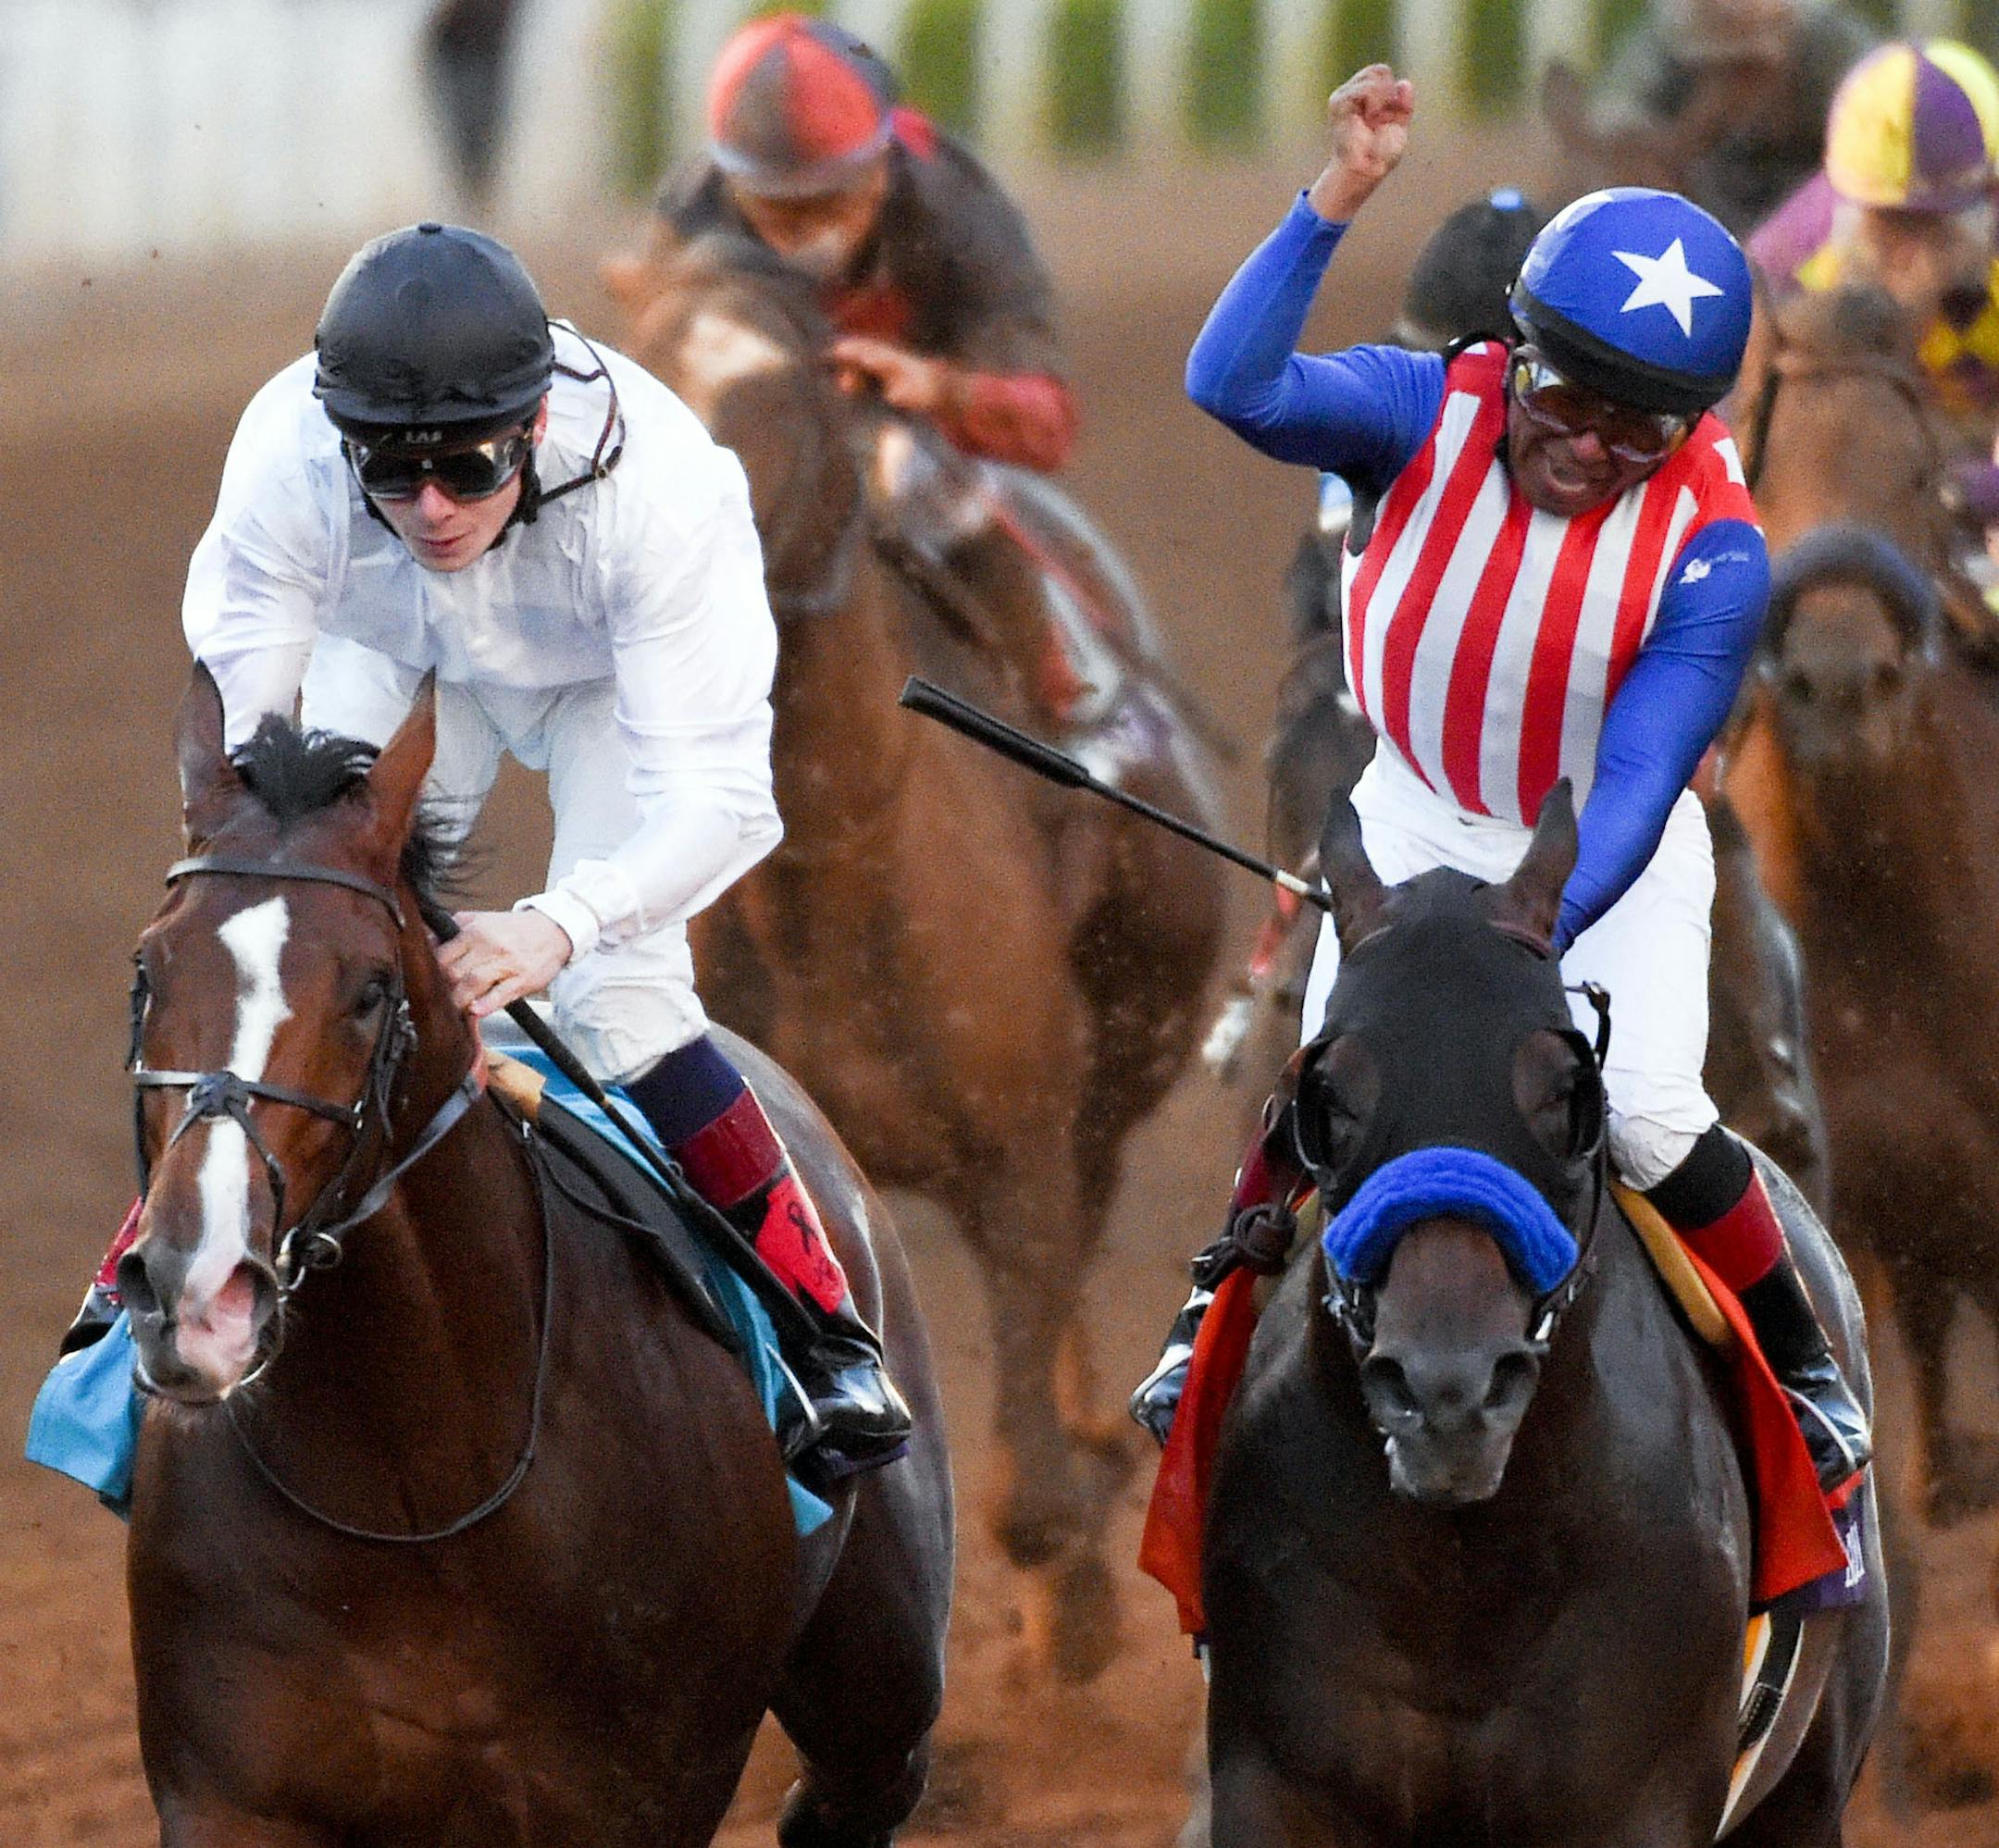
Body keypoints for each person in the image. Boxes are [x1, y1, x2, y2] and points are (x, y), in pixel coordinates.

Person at [65, 222, 910, 1476]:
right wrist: (301, 865)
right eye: (391, 476)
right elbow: (249, 719)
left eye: (464, 467)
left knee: (624, 996)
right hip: (399, 653)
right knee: (291, 932)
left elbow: (725, 799)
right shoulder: (288, 452)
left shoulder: (663, 493)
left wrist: (561, 922)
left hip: (612, 686)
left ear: (530, 428)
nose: (432, 506)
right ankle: (136, 1276)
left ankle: (823, 1330)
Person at [1133, 66, 1869, 1501]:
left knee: (1648, 1107)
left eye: (1638, 431)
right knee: (1330, 1076)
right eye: (1566, 396)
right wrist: (1336, 195)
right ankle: (1210, 1313)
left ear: (1691, 431)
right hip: (1411, 805)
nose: (1587, 446)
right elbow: (1231, 384)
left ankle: (1802, 1367)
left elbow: (1648, 778)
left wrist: (1528, 925)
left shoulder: (1715, 551)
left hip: (1598, 851)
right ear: (1513, 351)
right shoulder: (1425, 403)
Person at [647, 11, 1086, 725]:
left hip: (922, 432)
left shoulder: (959, 209)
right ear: (733, 187)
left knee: (923, 482)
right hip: (771, 422)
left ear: (884, 162)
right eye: (780, 214)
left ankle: (1055, 701)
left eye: (835, 202)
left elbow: (1049, 424)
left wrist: (942, 387)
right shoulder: (692, 214)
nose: (810, 243)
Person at [1750, 39, 1999, 426]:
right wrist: (1897, 323)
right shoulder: (1786, 266)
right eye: (1890, 224)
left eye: (1936, 226)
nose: (1912, 252)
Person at [1543, 0, 1875, 235]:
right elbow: (1618, 130)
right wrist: (1690, 133)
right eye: (1719, 67)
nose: (1734, 84)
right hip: (1717, 194)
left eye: (1749, 67)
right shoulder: (1664, 46)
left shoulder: (1835, 55)